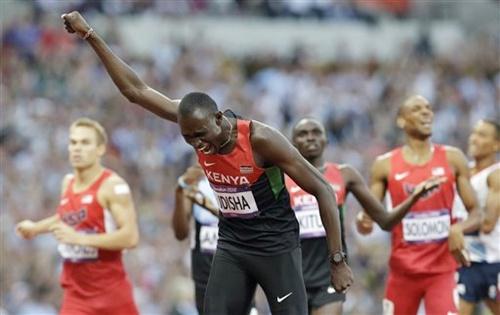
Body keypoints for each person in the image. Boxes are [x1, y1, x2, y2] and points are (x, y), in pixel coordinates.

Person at [61, 11, 353, 315]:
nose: (197, 144)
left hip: (276, 247)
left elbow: (322, 189)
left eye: (201, 135)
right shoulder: (192, 122)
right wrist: (89, 35)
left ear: (218, 119)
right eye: (188, 138)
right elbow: (136, 91)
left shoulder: (260, 140)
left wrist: (337, 259)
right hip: (233, 245)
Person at [286, 118, 445, 315]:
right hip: (290, 278)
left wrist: (414, 198)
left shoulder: (344, 175)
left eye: (316, 132)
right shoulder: (280, 179)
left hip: (327, 277)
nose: (310, 137)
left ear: (327, 139)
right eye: (303, 133)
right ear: (292, 143)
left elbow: (385, 221)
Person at [355, 95, 481, 315]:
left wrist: (459, 228)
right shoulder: (384, 165)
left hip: (442, 272)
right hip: (403, 273)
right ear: (401, 121)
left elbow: (477, 213)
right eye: (417, 109)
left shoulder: (453, 158)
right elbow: (369, 219)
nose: (426, 112)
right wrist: (362, 222)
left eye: (429, 108)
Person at [15, 118, 139, 315]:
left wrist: (80, 239)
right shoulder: (68, 183)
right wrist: (36, 228)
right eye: (73, 143)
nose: (77, 148)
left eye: (85, 143)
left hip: (111, 294)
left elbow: (130, 237)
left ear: (100, 149)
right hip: (77, 297)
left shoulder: (112, 186)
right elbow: (66, 217)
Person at [455, 119, 500, 315]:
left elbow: (488, 223)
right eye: (474, 133)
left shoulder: (496, 175)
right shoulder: (462, 173)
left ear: (496, 144)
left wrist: (457, 228)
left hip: (492, 261)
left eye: (482, 135)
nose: (474, 138)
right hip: (465, 261)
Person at [172, 163, 219, 314]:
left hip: (237, 272)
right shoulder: (197, 179)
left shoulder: (239, 176)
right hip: (204, 276)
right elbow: (180, 233)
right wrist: (180, 192)